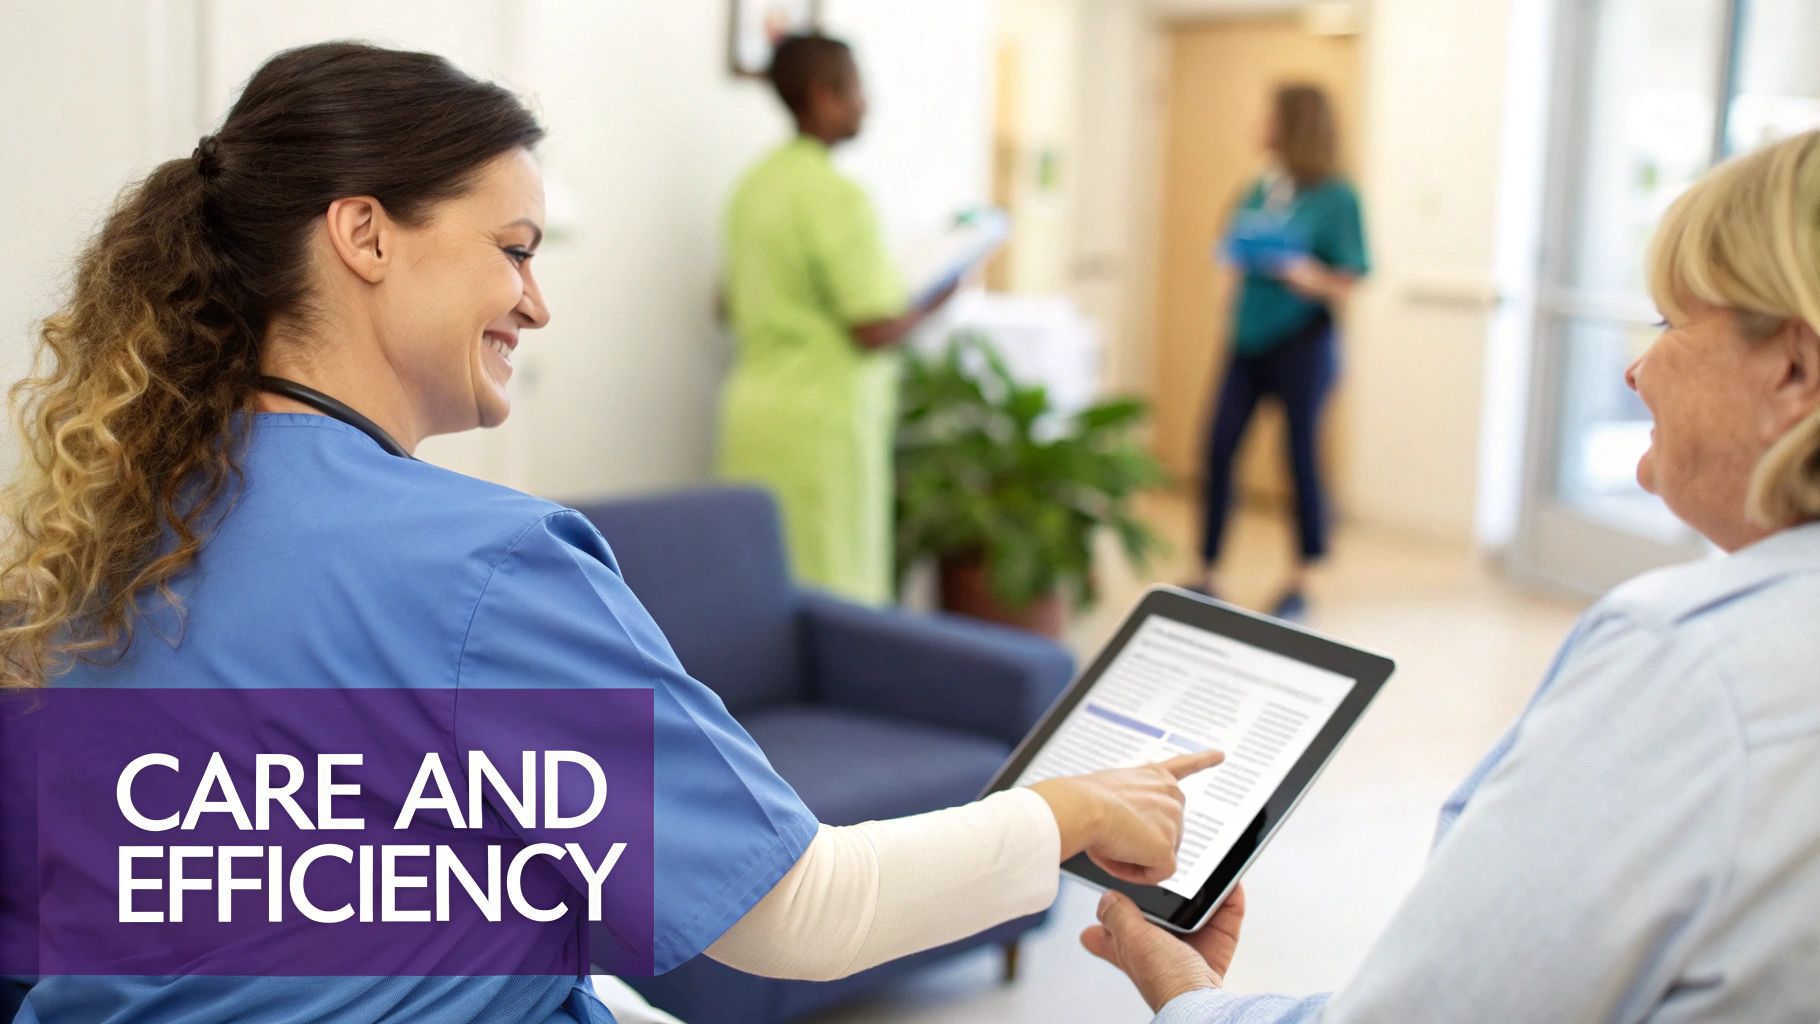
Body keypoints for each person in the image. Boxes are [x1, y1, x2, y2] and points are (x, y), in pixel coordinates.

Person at [0, 42, 1221, 1024]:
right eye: (513, 250)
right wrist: (1072, 810)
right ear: (362, 233)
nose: (539, 300)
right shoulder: (482, 567)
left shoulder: (106, 535)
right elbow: (800, 912)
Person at [1090, 130, 1820, 1022]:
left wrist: (1186, 994)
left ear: (1794, 368)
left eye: (1670, 324)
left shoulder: (1691, 667)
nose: (1636, 369)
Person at [717, 34, 958, 605]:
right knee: (831, 599)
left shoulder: (752, 185)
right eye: (856, 90)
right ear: (824, 96)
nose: (864, 104)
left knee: (757, 593)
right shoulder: (834, 194)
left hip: (751, 414)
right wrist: (939, 295)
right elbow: (872, 327)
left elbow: (723, 303)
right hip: (817, 427)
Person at [1196, 84, 1369, 621]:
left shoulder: (1337, 198)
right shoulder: (1258, 188)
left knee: (1299, 458)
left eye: (1266, 114)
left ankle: (1302, 575)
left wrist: (1303, 274)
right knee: (1218, 446)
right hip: (1246, 340)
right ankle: (1206, 570)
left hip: (1302, 341)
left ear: (1293, 123)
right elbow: (1230, 247)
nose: (1257, 122)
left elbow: (1352, 275)